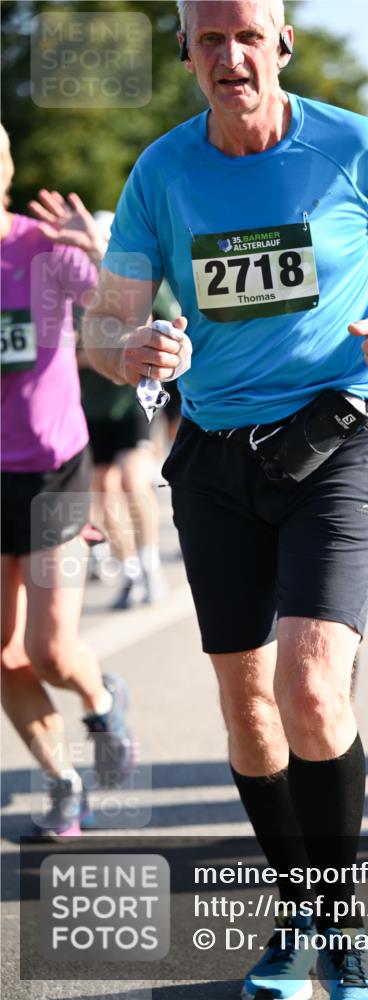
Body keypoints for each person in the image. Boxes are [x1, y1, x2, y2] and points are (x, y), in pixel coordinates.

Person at [82, 2, 368, 997]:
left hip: (332, 438)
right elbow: (105, 327)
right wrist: (133, 349)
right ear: (185, 52)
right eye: (210, 37)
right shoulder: (161, 172)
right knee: (247, 708)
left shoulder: (351, 145)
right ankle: (298, 914)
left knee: (308, 682)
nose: (231, 55)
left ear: (281, 44)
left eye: (249, 34)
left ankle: (343, 925)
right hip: (214, 457)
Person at [0, 125, 135, 836]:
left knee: (51, 649)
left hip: (54, 468)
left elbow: (125, 304)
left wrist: (97, 249)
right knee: (2, 650)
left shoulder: (40, 247)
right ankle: (63, 782)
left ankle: (103, 702)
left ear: (4, 169)